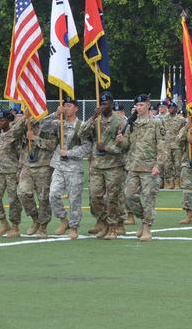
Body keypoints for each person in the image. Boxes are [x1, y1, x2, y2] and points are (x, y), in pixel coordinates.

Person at [118, 94, 168, 241]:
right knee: (128, 196)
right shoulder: (132, 123)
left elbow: (162, 146)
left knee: (148, 198)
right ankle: (143, 219)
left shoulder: (156, 123)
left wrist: (159, 165)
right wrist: (121, 141)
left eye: (141, 105)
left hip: (149, 167)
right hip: (133, 165)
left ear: (148, 105)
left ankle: (147, 228)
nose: (139, 108)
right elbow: (127, 145)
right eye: (137, 105)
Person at [80, 92, 128, 239]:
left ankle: (113, 227)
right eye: (101, 103)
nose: (103, 106)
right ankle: (104, 223)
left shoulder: (120, 121)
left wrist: (106, 148)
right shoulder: (96, 120)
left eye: (106, 103)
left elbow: (124, 145)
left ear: (112, 103)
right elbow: (82, 134)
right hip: (96, 165)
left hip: (114, 165)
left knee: (112, 198)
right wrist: (92, 117)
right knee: (95, 196)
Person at [48, 98, 91, 239]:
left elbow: (87, 147)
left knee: (74, 200)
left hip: (74, 168)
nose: (66, 108)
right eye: (64, 106)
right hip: (59, 166)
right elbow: (41, 126)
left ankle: (74, 227)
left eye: (69, 106)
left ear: (76, 108)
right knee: (53, 195)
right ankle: (63, 220)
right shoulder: (59, 123)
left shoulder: (82, 126)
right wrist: (55, 114)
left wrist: (70, 153)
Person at [18, 107, 57, 237]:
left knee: (43, 198)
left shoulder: (49, 125)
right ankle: (35, 219)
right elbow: (12, 133)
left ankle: (43, 226)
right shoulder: (24, 124)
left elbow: (52, 145)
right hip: (27, 165)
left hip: (43, 165)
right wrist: (24, 119)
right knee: (23, 192)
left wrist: (35, 138)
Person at [0, 110, 26, 237]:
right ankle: (4, 224)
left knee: (13, 200)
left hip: (12, 171)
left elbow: (21, 124)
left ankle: (15, 227)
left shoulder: (13, 133)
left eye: (2, 120)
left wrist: (26, 114)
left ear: (9, 120)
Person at [161, 102, 186, 190]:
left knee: (178, 164)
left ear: (176, 109)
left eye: (173, 107)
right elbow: (162, 131)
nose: (171, 109)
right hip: (167, 145)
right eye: (170, 107)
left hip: (177, 145)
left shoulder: (181, 119)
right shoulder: (164, 119)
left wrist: (181, 141)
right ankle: (170, 182)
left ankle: (177, 182)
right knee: (167, 165)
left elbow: (184, 131)